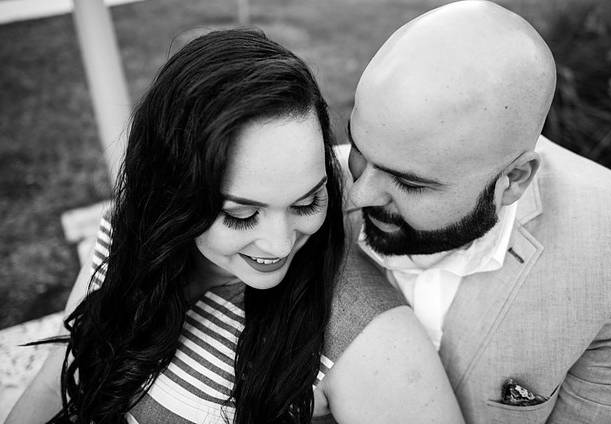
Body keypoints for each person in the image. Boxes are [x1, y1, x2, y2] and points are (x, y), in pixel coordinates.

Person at [6, 29, 465, 424]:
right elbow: (60, 378)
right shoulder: (131, 232)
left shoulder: (366, 338)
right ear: (173, 195)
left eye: (307, 202)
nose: (280, 244)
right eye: (241, 214)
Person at [343, 1, 611, 423]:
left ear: (514, 179)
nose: (358, 195)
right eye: (358, 149)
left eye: (409, 183)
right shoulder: (297, 201)